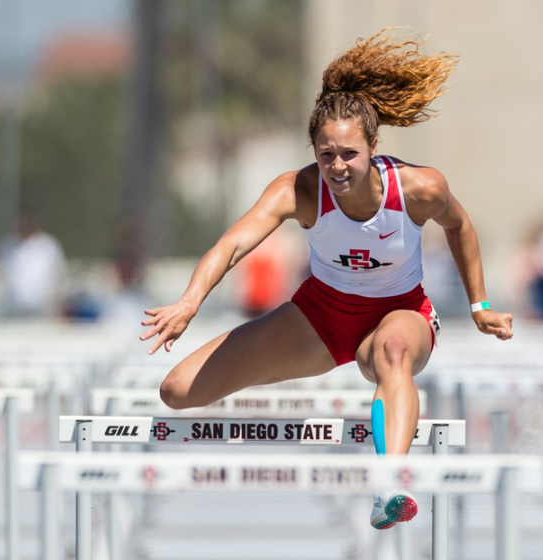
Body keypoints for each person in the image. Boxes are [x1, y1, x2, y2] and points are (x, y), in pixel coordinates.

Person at [139, 30, 513, 529]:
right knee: (177, 390)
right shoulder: (299, 189)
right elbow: (231, 245)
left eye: (349, 155)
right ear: (313, 151)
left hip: (400, 312)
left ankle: (390, 486)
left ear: (374, 147)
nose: (337, 167)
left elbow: (460, 226)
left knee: (391, 354)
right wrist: (189, 302)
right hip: (320, 316)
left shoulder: (421, 187)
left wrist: (479, 305)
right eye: (326, 154)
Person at [0, 208, 66, 317]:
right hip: (13, 307)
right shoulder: (7, 245)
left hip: (41, 308)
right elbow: (3, 274)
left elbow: (57, 276)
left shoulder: (48, 245)